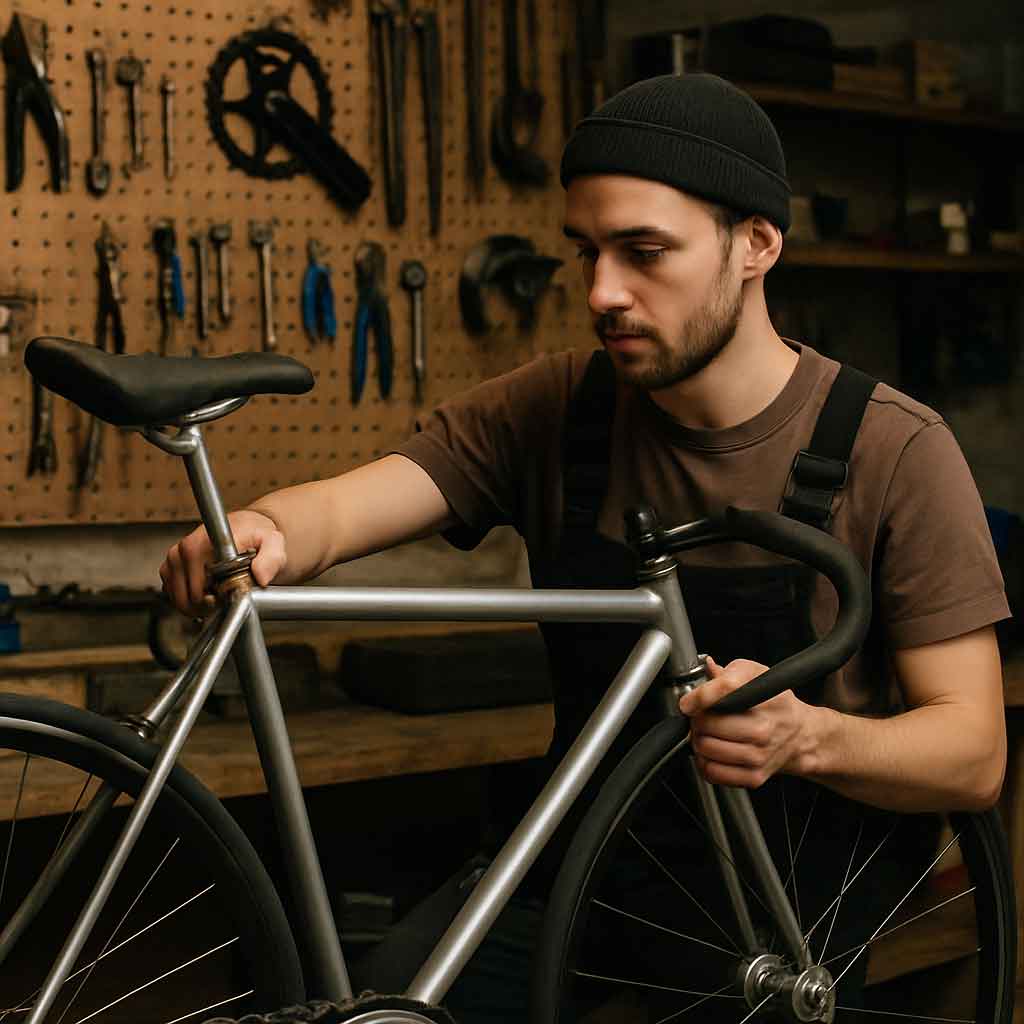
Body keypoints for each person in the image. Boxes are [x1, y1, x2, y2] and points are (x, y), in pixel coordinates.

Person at [163, 74, 1010, 1021]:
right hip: (577, 865)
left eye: (646, 252)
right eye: (587, 252)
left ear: (757, 245)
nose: (604, 292)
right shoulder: (562, 404)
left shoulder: (892, 448)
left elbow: (971, 753)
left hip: (778, 915)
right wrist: (269, 529)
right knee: (391, 1005)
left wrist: (808, 736)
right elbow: (351, 506)